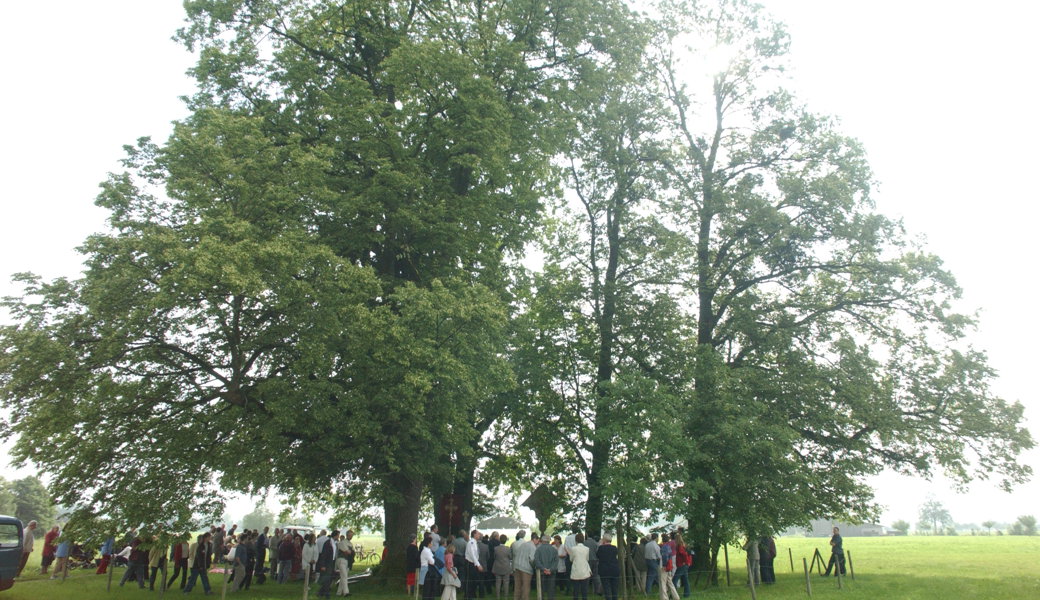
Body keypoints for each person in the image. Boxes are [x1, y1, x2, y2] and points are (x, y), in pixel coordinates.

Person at [511, 530, 535, 600]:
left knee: (517, 585)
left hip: (516, 565)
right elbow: (531, 559)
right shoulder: (526, 544)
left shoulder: (513, 543)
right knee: (525, 585)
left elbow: (511, 554)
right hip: (526, 567)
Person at [567, 533, 591, 600]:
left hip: (576, 571)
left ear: (576, 540)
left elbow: (571, 559)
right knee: (584, 591)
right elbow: (587, 559)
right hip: (584, 571)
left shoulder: (573, 549)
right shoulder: (587, 549)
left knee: (576, 591)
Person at [595, 535, 619, 600]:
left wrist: (600, 545)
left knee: (607, 588)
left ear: (604, 540)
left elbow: (597, 556)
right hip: (614, 570)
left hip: (604, 570)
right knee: (615, 589)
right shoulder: (615, 548)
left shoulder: (601, 548)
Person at [534, 534, 558, 600]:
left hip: (541, 572)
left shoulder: (538, 549)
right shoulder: (554, 550)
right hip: (551, 573)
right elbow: (556, 562)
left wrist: (543, 569)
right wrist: (550, 570)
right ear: (549, 541)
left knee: (541, 590)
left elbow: (536, 561)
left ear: (542, 540)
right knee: (551, 591)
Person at [658, 536, 679, 600]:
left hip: (664, 567)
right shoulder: (669, 547)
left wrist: (664, 565)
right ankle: (676, 597)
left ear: (663, 540)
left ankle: (664, 598)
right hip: (669, 566)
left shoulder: (664, 547)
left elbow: (664, 556)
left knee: (663, 583)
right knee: (670, 582)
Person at [465, 530, 485, 600]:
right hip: (470, 563)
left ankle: (472, 594)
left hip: (473, 563)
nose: (479, 535)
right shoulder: (472, 543)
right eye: (478, 534)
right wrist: (478, 565)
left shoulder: (474, 542)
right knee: (471, 580)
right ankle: (469, 596)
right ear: (474, 534)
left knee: (474, 580)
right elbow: (472, 555)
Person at [317, 531, 336, 599]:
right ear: (335, 535)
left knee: (329, 578)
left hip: (332, 563)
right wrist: (322, 565)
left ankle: (320, 592)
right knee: (327, 579)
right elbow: (324, 554)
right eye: (338, 535)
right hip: (327, 563)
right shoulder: (328, 543)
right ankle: (327, 595)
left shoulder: (334, 543)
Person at [671, 533, 691, 597]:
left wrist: (685, 562)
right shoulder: (682, 545)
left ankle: (673, 595)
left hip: (682, 565)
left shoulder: (680, 546)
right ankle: (686, 594)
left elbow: (684, 554)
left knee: (674, 580)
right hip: (684, 565)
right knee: (685, 580)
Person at [492, 533, 511, 599]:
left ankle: (498, 596)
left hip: (497, 567)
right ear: (505, 540)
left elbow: (494, 557)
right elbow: (510, 557)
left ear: (500, 540)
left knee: (498, 583)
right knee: (506, 583)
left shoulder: (496, 548)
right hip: (506, 567)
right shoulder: (508, 549)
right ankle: (506, 597)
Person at [336, 529, 355, 596]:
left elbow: (352, 552)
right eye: (350, 535)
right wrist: (350, 552)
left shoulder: (350, 544)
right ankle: (346, 592)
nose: (351, 537)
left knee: (343, 577)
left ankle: (338, 593)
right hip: (341, 560)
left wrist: (351, 552)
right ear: (347, 535)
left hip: (347, 561)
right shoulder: (342, 542)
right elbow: (348, 552)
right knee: (344, 576)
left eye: (352, 536)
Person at [421, 536, 439, 600]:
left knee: (431, 588)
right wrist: (434, 560)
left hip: (429, 571)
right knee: (428, 589)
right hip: (427, 571)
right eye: (431, 542)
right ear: (428, 543)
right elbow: (432, 561)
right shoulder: (426, 551)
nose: (432, 544)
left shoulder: (428, 551)